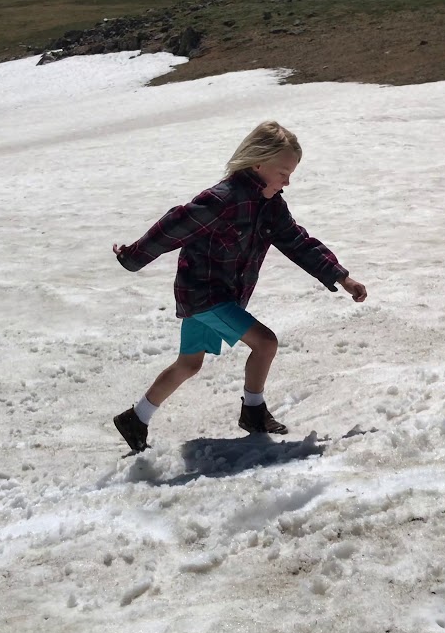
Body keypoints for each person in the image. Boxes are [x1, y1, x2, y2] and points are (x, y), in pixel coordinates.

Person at [110, 121, 367, 453]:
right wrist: (132, 258)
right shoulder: (222, 200)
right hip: (203, 294)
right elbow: (173, 226)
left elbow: (297, 241)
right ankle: (253, 412)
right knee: (265, 343)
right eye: (283, 172)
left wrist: (340, 276)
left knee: (189, 364)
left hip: (221, 296)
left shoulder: (271, 205)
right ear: (258, 164)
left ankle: (136, 418)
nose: (287, 181)